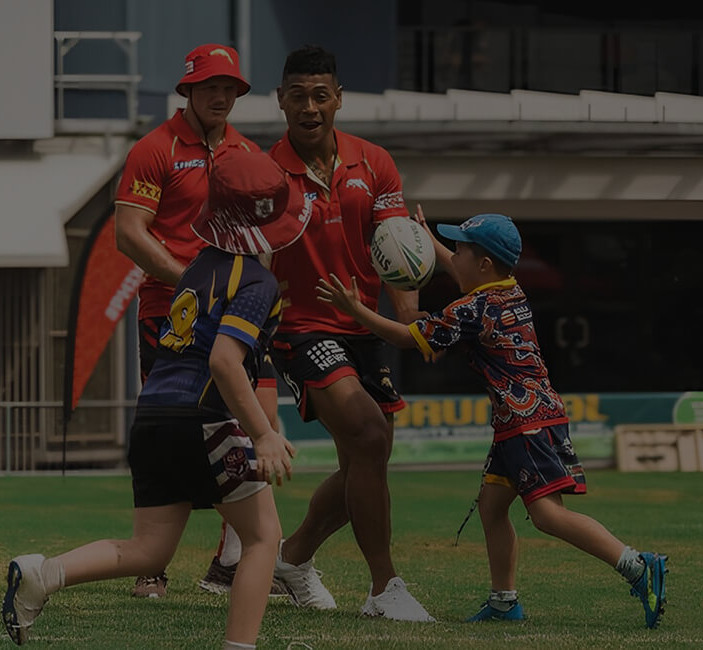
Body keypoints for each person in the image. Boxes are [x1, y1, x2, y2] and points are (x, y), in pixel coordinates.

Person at [2, 147, 303, 649]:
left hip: (153, 415)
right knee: (263, 538)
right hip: (205, 418)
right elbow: (224, 362)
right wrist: (265, 434)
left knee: (148, 549)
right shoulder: (256, 280)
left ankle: (44, 574)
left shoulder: (195, 269)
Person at [315, 212, 669, 628]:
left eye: (460, 250)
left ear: (483, 264)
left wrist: (355, 309)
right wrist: (429, 242)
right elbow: (464, 269)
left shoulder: (472, 308)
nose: (453, 257)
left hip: (525, 421)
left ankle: (638, 567)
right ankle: (504, 602)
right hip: (526, 416)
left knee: (547, 515)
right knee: (492, 506)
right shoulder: (509, 289)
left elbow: (408, 338)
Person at [263, 45, 432, 620]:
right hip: (301, 329)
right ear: (280, 101)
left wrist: (411, 327)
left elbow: (398, 255)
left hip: (364, 329)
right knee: (366, 435)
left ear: (337, 100)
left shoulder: (375, 162)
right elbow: (250, 261)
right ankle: (385, 588)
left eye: (320, 95)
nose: (309, 107)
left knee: (371, 453)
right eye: (297, 96)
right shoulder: (264, 175)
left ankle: (291, 558)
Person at [109, 42, 282, 598]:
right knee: (174, 435)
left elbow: (264, 235)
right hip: (171, 315)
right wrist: (194, 283)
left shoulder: (246, 152)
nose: (222, 95)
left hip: (233, 314)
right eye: (211, 86)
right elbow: (128, 233)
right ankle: (151, 565)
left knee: (257, 422)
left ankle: (232, 562)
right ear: (187, 89)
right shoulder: (154, 148)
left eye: (230, 87)